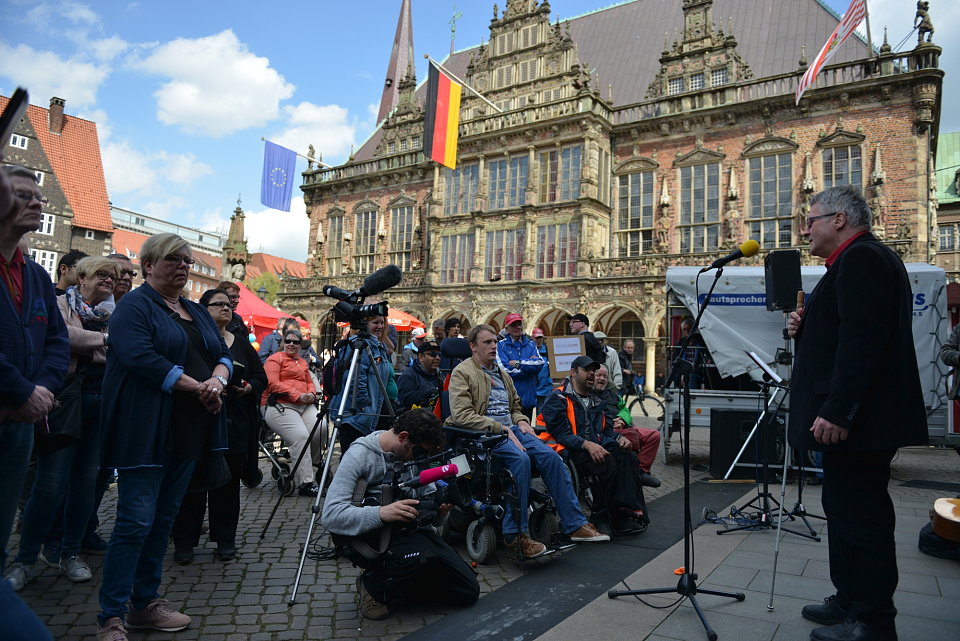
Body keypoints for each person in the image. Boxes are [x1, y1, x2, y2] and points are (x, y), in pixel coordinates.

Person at [787, 186, 927, 641]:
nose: (805, 229)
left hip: (857, 425)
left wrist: (839, 410)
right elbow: (843, 331)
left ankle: (871, 620)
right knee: (843, 511)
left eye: (811, 220)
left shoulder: (863, 258)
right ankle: (848, 599)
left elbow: (863, 343)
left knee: (863, 519)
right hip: (853, 426)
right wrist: (804, 326)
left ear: (840, 220)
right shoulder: (850, 262)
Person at [95, 232, 232, 640]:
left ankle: (145, 603)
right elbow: (142, 359)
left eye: (188, 261)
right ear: (149, 265)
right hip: (145, 427)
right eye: (174, 259)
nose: (184, 266)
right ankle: (111, 615)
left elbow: (223, 353)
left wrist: (218, 382)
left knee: (162, 522)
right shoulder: (134, 306)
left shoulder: (195, 309)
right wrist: (198, 387)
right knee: (135, 521)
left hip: (189, 429)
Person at [446, 324, 608, 559]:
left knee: (552, 457)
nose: (494, 345)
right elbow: (461, 415)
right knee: (520, 460)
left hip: (511, 430)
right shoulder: (463, 372)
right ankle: (515, 534)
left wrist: (521, 420)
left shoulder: (502, 373)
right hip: (484, 436)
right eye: (487, 342)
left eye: (494, 341)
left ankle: (575, 525)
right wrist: (499, 427)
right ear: (473, 347)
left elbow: (514, 407)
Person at [6, 257, 118, 591]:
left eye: (113, 277)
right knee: (51, 480)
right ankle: (26, 559)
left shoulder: (116, 315)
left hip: (102, 398)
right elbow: (61, 337)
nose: (110, 281)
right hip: (67, 398)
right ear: (80, 277)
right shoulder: (57, 303)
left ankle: (70, 552)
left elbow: (114, 348)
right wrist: (104, 341)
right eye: (102, 275)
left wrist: (92, 343)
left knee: (86, 480)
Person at [321, 409, 480, 620]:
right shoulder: (359, 455)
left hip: (410, 531)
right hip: (371, 536)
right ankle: (372, 587)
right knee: (424, 556)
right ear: (403, 437)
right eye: (419, 452)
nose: (421, 458)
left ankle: (402, 581)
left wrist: (441, 512)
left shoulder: (414, 454)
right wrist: (381, 513)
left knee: (467, 590)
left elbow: (433, 514)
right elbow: (331, 515)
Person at [0, 165, 68, 641]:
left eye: (40, 198)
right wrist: (22, 390)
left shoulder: (37, 276)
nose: (38, 204)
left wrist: (41, 390)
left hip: (20, 424)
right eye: (24, 194)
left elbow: (58, 342)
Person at [172, 288, 268, 564]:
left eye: (229, 304)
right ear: (202, 309)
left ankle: (225, 540)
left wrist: (248, 389)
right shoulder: (191, 338)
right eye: (218, 304)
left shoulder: (239, 343)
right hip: (196, 421)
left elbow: (260, 376)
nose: (227, 308)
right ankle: (185, 542)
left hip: (234, 423)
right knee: (191, 485)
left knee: (227, 486)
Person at [539, 356, 648, 533]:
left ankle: (623, 514)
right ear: (573, 372)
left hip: (596, 445)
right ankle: (600, 517)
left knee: (628, 456)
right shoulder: (557, 398)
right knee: (607, 463)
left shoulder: (597, 400)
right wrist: (587, 445)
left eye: (593, 370)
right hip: (568, 450)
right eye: (587, 370)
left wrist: (618, 438)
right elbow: (561, 435)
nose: (592, 373)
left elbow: (606, 431)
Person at [261, 327, 324, 497]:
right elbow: (272, 384)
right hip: (278, 405)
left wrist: (311, 394)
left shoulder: (302, 362)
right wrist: (297, 394)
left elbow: (310, 381)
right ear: (282, 342)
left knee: (321, 427)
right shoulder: (274, 360)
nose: (291, 344)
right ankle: (306, 482)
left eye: (295, 342)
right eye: (287, 341)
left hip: (303, 404)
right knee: (301, 436)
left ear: (300, 345)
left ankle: (315, 462)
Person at [328, 315, 391, 453]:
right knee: (352, 458)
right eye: (375, 322)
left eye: (382, 322)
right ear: (363, 323)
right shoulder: (357, 346)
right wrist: (363, 402)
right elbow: (354, 377)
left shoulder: (377, 345)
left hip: (371, 414)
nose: (380, 326)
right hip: (356, 416)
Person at [594, 366, 661, 488]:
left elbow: (625, 409)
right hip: (608, 431)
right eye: (598, 375)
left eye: (605, 376)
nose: (602, 379)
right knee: (630, 444)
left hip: (624, 427)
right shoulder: (589, 395)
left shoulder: (613, 394)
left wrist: (622, 419)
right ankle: (634, 475)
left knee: (654, 435)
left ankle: (641, 471)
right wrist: (609, 423)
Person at [496, 313, 544, 421]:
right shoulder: (500, 345)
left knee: (527, 433)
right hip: (510, 401)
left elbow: (539, 364)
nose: (518, 327)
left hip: (528, 400)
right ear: (507, 329)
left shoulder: (531, 344)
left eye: (519, 324)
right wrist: (529, 369)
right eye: (514, 325)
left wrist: (517, 364)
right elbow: (504, 371)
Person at [397, 340, 442, 411]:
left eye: (439, 354)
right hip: (416, 419)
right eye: (433, 354)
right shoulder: (409, 375)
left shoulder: (440, 375)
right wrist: (430, 392)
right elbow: (405, 399)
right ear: (421, 357)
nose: (437, 358)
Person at [533, 329, 554, 411]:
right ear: (533, 338)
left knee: (542, 413)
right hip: (532, 388)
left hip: (545, 388)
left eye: (540, 338)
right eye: (536, 338)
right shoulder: (530, 350)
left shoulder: (548, 351)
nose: (538, 340)